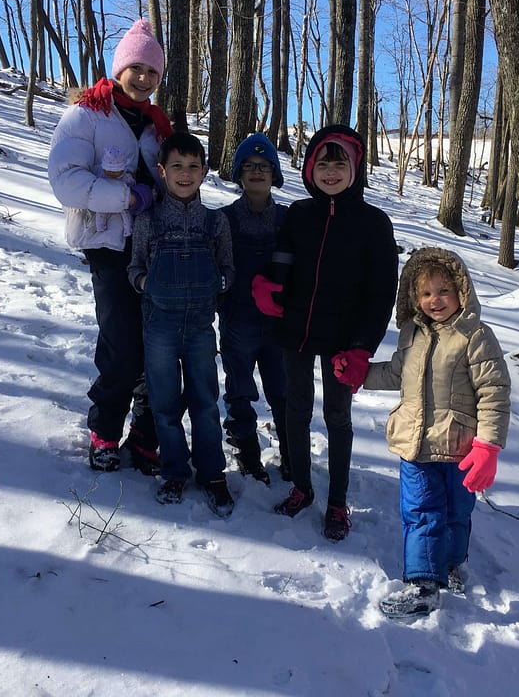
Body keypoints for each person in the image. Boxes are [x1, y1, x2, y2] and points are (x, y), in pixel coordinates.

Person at [252, 124, 398, 541]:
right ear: (311, 168)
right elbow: (283, 255)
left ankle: (337, 500)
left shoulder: (374, 223)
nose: (331, 172)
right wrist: (269, 285)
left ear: (355, 169)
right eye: (323, 162)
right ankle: (302, 486)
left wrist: (362, 348)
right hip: (296, 330)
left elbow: (381, 293)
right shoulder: (298, 213)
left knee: (337, 417)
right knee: (295, 410)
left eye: (341, 163)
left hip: (344, 341)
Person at [48, 19, 172, 476]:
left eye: (152, 72)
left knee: (154, 348)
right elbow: (66, 181)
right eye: (135, 68)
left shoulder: (157, 125)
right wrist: (127, 197)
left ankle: (144, 436)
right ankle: (104, 432)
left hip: (152, 248)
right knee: (121, 346)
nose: (143, 78)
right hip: (107, 245)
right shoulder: (87, 113)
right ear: (119, 68)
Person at [358, 247, 511, 619]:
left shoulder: (475, 336)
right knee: (423, 512)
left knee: (457, 513)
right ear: (414, 298)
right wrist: (360, 374)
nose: (434, 300)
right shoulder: (412, 334)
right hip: (416, 445)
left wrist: (488, 446)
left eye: (443, 291)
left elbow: (494, 392)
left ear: (462, 291)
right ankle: (424, 583)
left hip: (461, 448)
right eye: (425, 293)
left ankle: (453, 563)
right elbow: (398, 373)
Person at [128, 132, 237, 518]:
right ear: (162, 171)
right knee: (165, 404)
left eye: (193, 167)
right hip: (159, 327)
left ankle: (212, 474)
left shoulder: (215, 222)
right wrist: (145, 283)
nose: (185, 174)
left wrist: (220, 283)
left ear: (204, 172)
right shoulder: (148, 221)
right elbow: (134, 268)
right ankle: (174, 471)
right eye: (177, 166)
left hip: (200, 331)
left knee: (206, 404)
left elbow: (228, 268)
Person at [218, 133, 290, 486]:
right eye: (249, 166)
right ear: (239, 173)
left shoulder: (288, 219)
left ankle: (292, 453)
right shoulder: (224, 220)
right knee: (239, 388)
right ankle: (247, 451)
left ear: (274, 174)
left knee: (283, 390)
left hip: (279, 324)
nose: (257, 172)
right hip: (238, 321)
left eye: (264, 166)